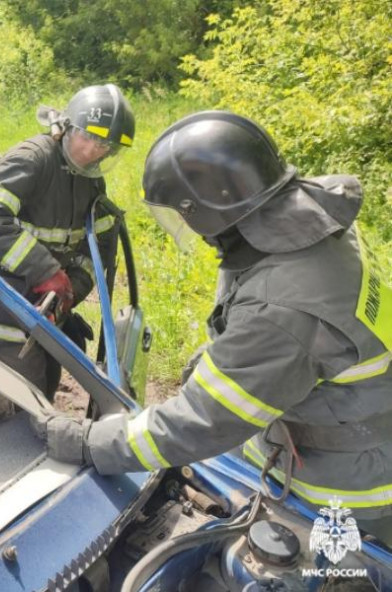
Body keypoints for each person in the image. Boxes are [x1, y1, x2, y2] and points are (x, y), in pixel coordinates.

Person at [36, 111, 392, 544]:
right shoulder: (314, 228)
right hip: (342, 426)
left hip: (347, 489)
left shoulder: (282, 307)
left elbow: (202, 420)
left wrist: (91, 442)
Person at [0, 84, 135, 398]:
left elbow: (96, 248)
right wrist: (44, 271)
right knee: (20, 401)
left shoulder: (90, 178)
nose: (95, 151)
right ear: (68, 128)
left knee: (48, 385)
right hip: (3, 315)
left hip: (42, 318)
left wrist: (68, 294)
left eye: (106, 145)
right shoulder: (34, 159)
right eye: (90, 138)